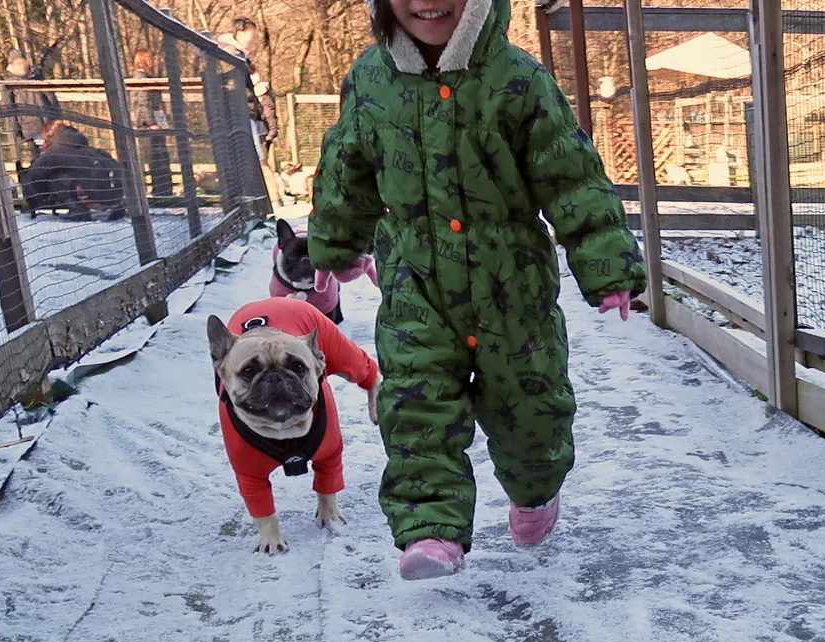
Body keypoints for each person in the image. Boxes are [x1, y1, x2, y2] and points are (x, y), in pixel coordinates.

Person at [307, 0, 647, 580]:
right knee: (416, 405)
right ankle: (433, 531)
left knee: (531, 411)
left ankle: (535, 491)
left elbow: (569, 174)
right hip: (416, 286)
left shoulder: (518, 78)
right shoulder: (369, 80)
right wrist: (336, 246)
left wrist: (608, 266)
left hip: (511, 289)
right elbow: (345, 167)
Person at [217, 18, 282, 208]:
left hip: (248, 113)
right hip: (240, 114)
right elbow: (232, 86)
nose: (255, 40)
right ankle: (268, 200)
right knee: (257, 158)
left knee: (257, 157)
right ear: (240, 32)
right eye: (252, 35)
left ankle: (268, 200)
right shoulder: (230, 54)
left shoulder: (241, 57)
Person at [128, 48, 173, 199]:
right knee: (155, 159)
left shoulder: (148, 77)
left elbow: (155, 104)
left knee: (161, 158)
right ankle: (160, 193)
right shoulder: (141, 77)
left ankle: (165, 192)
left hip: (154, 125)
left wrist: (163, 124)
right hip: (147, 126)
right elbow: (144, 103)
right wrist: (153, 123)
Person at [4, 50, 60, 165]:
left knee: (51, 157)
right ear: (11, 66)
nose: (22, 66)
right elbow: (9, 109)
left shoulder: (37, 79)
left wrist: (56, 118)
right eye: (18, 64)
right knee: (36, 159)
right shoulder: (10, 85)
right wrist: (15, 129)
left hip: (47, 125)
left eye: (23, 63)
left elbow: (51, 99)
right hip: (28, 127)